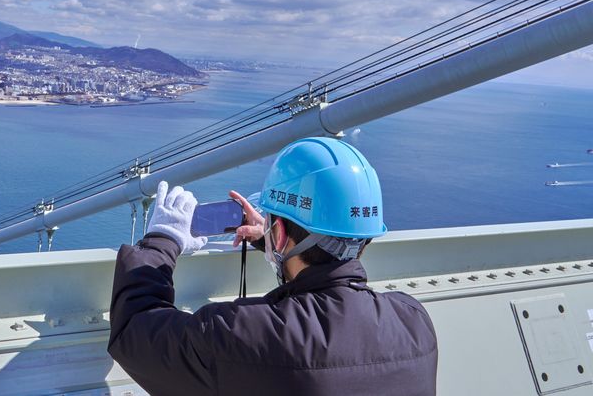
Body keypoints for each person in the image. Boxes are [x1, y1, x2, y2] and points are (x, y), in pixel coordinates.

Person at [108, 136, 438, 395]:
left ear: (278, 233)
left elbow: (133, 331)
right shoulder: (413, 321)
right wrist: (272, 239)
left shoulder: (245, 334)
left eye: (272, 225)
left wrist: (163, 238)